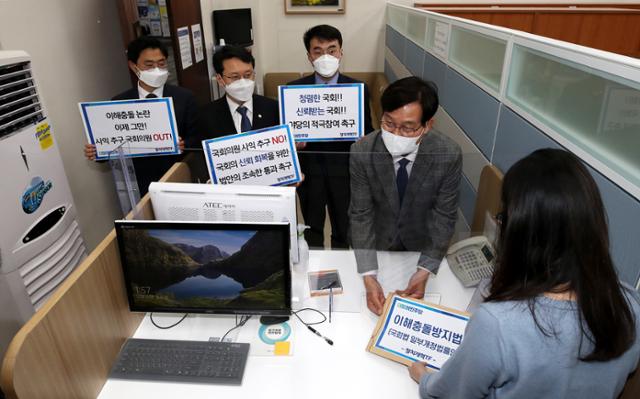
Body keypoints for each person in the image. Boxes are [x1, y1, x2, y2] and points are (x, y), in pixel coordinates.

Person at [409, 149, 640, 398]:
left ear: (521, 232)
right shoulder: (630, 307)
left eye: (503, 217)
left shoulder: (498, 323)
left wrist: (424, 378)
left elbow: (453, 394)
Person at [349, 76, 461, 315]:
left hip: (420, 248)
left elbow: (444, 217)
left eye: (408, 127)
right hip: (377, 246)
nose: (396, 133)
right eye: (389, 123)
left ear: (428, 125)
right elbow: (361, 215)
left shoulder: (448, 154)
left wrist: (424, 270)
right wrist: (369, 276)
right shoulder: (363, 150)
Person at [288, 24, 374, 249]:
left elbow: (369, 130)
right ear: (309, 56)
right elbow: (284, 138)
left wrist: (364, 140)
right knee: (311, 229)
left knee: (344, 230)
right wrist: (293, 144)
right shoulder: (293, 90)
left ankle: (343, 274)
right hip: (310, 172)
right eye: (318, 51)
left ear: (341, 52)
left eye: (332, 49)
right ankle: (313, 270)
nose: (325, 56)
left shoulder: (358, 88)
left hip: (344, 171)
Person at [84, 36, 198, 196]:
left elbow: (197, 138)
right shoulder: (119, 102)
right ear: (133, 66)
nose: (157, 70)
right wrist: (96, 151)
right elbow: (109, 147)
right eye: (149, 65)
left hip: (176, 179)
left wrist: (183, 144)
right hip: (137, 183)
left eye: (161, 63)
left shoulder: (184, 97)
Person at [197, 45, 279, 141]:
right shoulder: (206, 116)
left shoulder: (274, 108)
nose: (243, 82)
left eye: (248, 75)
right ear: (220, 79)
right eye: (235, 77)